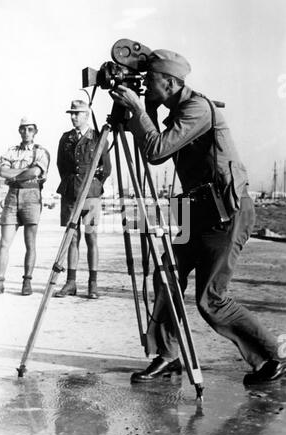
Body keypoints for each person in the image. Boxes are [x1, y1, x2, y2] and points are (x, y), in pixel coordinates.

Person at [110, 49, 286, 386]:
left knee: (211, 299)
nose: (145, 86)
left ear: (172, 83)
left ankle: (271, 356)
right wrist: (141, 109)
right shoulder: (175, 110)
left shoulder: (197, 109)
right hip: (192, 210)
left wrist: (137, 109)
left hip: (224, 211)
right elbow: (156, 154)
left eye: (151, 82)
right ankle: (167, 355)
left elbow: (158, 149)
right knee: (166, 276)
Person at [0, 117, 50, 296]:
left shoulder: (41, 152)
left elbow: (35, 172)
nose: (26, 132)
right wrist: (22, 174)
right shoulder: (11, 151)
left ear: (35, 131)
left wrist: (14, 176)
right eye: (23, 129)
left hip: (32, 196)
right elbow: (2, 171)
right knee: (4, 243)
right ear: (19, 130)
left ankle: (27, 281)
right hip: (12, 196)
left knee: (30, 243)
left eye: (30, 129)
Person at [55, 100, 111, 299]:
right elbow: (61, 165)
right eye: (71, 113)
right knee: (72, 239)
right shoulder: (66, 138)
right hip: (71, 193)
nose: (73, 117)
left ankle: (92, 284)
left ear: (87, 115)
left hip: (91, 193)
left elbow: (106, 168)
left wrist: (93, 183)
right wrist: (72, 183)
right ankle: (70, 283)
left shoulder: (98, 137)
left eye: (77, 113)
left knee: (91, 237)